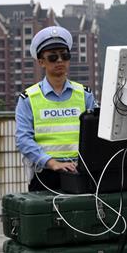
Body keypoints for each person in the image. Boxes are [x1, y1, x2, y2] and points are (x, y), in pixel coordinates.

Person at [15, 26, 95, 192]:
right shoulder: (28, 99)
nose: (60, 60)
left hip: (80, 172)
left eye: (64, 55)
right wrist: (52, 163)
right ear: (41, 62)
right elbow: (23, 139)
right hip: (45, 175)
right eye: (53, 57)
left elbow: (96, 133)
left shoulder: (85, 95)